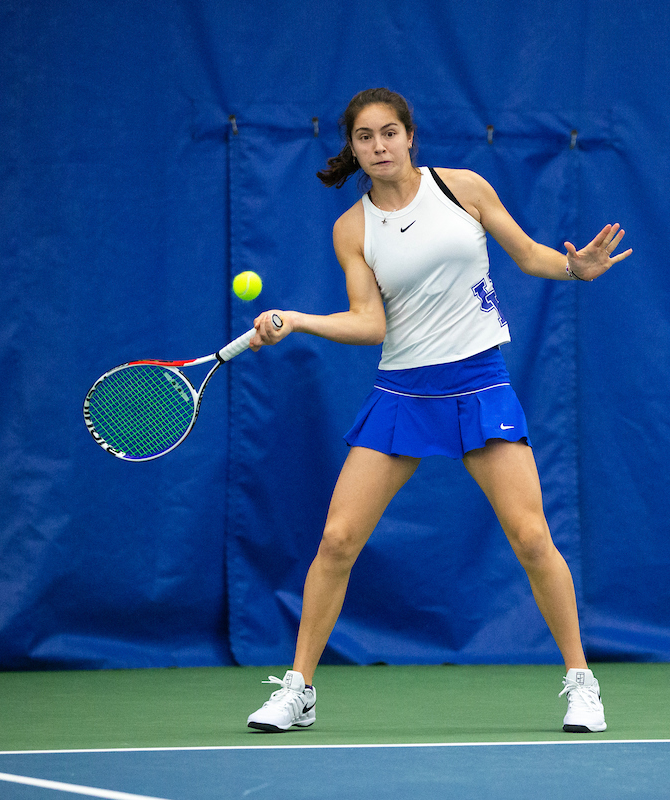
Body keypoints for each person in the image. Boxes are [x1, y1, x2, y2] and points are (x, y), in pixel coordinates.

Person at [244, 87, 631, 734]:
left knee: (533, 538)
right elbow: (371, 324)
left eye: (389, 133)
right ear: (353, 147)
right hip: (402, 393)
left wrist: (574, 267)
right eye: (365, 137)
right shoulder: (352, 229)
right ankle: (299, 688)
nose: (379, 146)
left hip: (479, 382)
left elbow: (530, 254)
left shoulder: (462, 188)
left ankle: (581, 681)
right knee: (338, 540)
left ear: (409, 136)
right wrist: (299, 320)